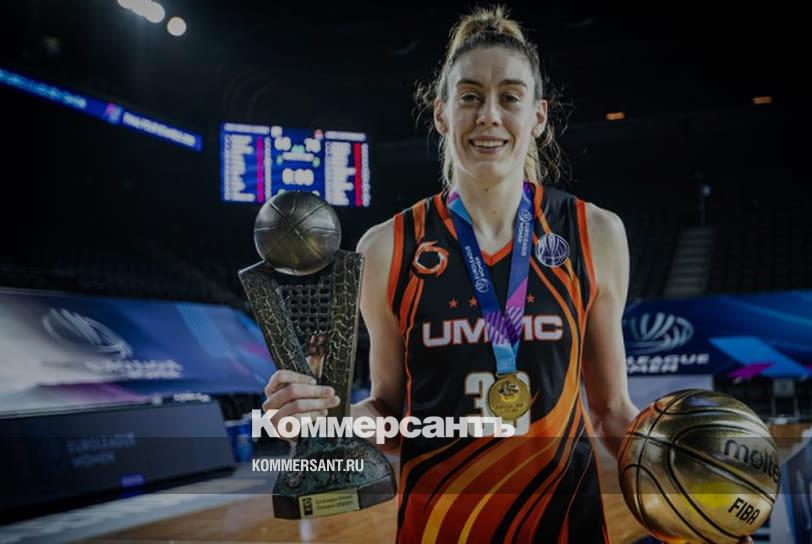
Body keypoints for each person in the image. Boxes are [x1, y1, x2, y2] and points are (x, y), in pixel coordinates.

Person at [262, 6, 751, 543]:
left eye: (510, 97)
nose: (488, 115)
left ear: (538, 116)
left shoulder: (595, 233)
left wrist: (695, 501)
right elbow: (391, 414)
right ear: (442, 114)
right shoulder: (388, 247)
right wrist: (324, 423)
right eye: (470, 96)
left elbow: (612, 412)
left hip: (567, 530)